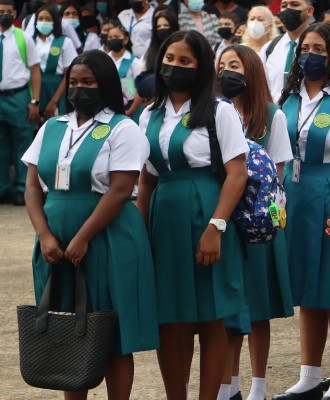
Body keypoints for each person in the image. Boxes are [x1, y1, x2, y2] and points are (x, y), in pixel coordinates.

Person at [21, 49, 160, 400]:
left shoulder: (123, 128)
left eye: (89, 83)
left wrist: (83, 237)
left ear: (106, 85)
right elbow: (32, 187)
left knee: (111, 334)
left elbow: (120, 190)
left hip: (108, 237)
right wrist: (44, 235)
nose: (78, 90)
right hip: (55, 241)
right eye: (74, 83)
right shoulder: (52, 127)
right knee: (69, 329)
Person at [136, 30, 248, 400]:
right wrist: (141, 228)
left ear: (200, 67)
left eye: (185, 61)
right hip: (162, 216)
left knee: (211, 316)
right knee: (170, 319)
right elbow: (146, 178)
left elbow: (237, 173)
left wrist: (216, 226)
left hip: (206, 212)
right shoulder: (149, 113)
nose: (174, 67)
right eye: (169, 59)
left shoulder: (220, 111)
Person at [271, 22, 330, 400]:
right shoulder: (287, 97)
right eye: (306, 47)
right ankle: (308, 374)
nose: (311, 54)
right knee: (307, 287)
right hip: (295, 194)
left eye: (320, 48)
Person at [217, 43, 294, 400]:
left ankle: (258, 386)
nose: (227, 70)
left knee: (258, 307)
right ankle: (227, 383)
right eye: (221, 65)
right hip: (222, 218)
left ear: (251, 70)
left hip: (257, 221)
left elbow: (277, 173)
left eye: (234, 64)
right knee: (229, 307)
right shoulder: (213, 112)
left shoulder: (270, 114)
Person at [0, 0, 41, 206]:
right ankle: (2, 188)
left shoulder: (23, 38)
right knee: (1, 145)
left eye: (8, 12)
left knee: (22, 144)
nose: (4, 15)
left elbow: (35, 70)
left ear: (14, 13)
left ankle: (20, 188)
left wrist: (34, 100)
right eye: (1, 12)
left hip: (18, 96)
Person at [260, 0, 314, 102]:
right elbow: (260, 89)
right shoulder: (269, 49)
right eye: (284, 5)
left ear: (309, 11)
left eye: (294, 4)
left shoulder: (320, 48)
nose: (288, 9)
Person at [33, 5, 77, 120]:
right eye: (40, 19)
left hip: (56, 88)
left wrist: (54, 100)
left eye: (48, 19)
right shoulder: (30, 41)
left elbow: (69, 73)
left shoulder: (65, 42)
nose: (44, 22)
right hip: (33, 88)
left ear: (55, 21)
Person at [106, 24, 144, 121]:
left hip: (130, 109)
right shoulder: (104, 60)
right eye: (110, 37)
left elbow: (141, 89)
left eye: (117, 37)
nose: (113, 39)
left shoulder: (134, 62)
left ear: (126, 39)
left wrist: (131, 111)